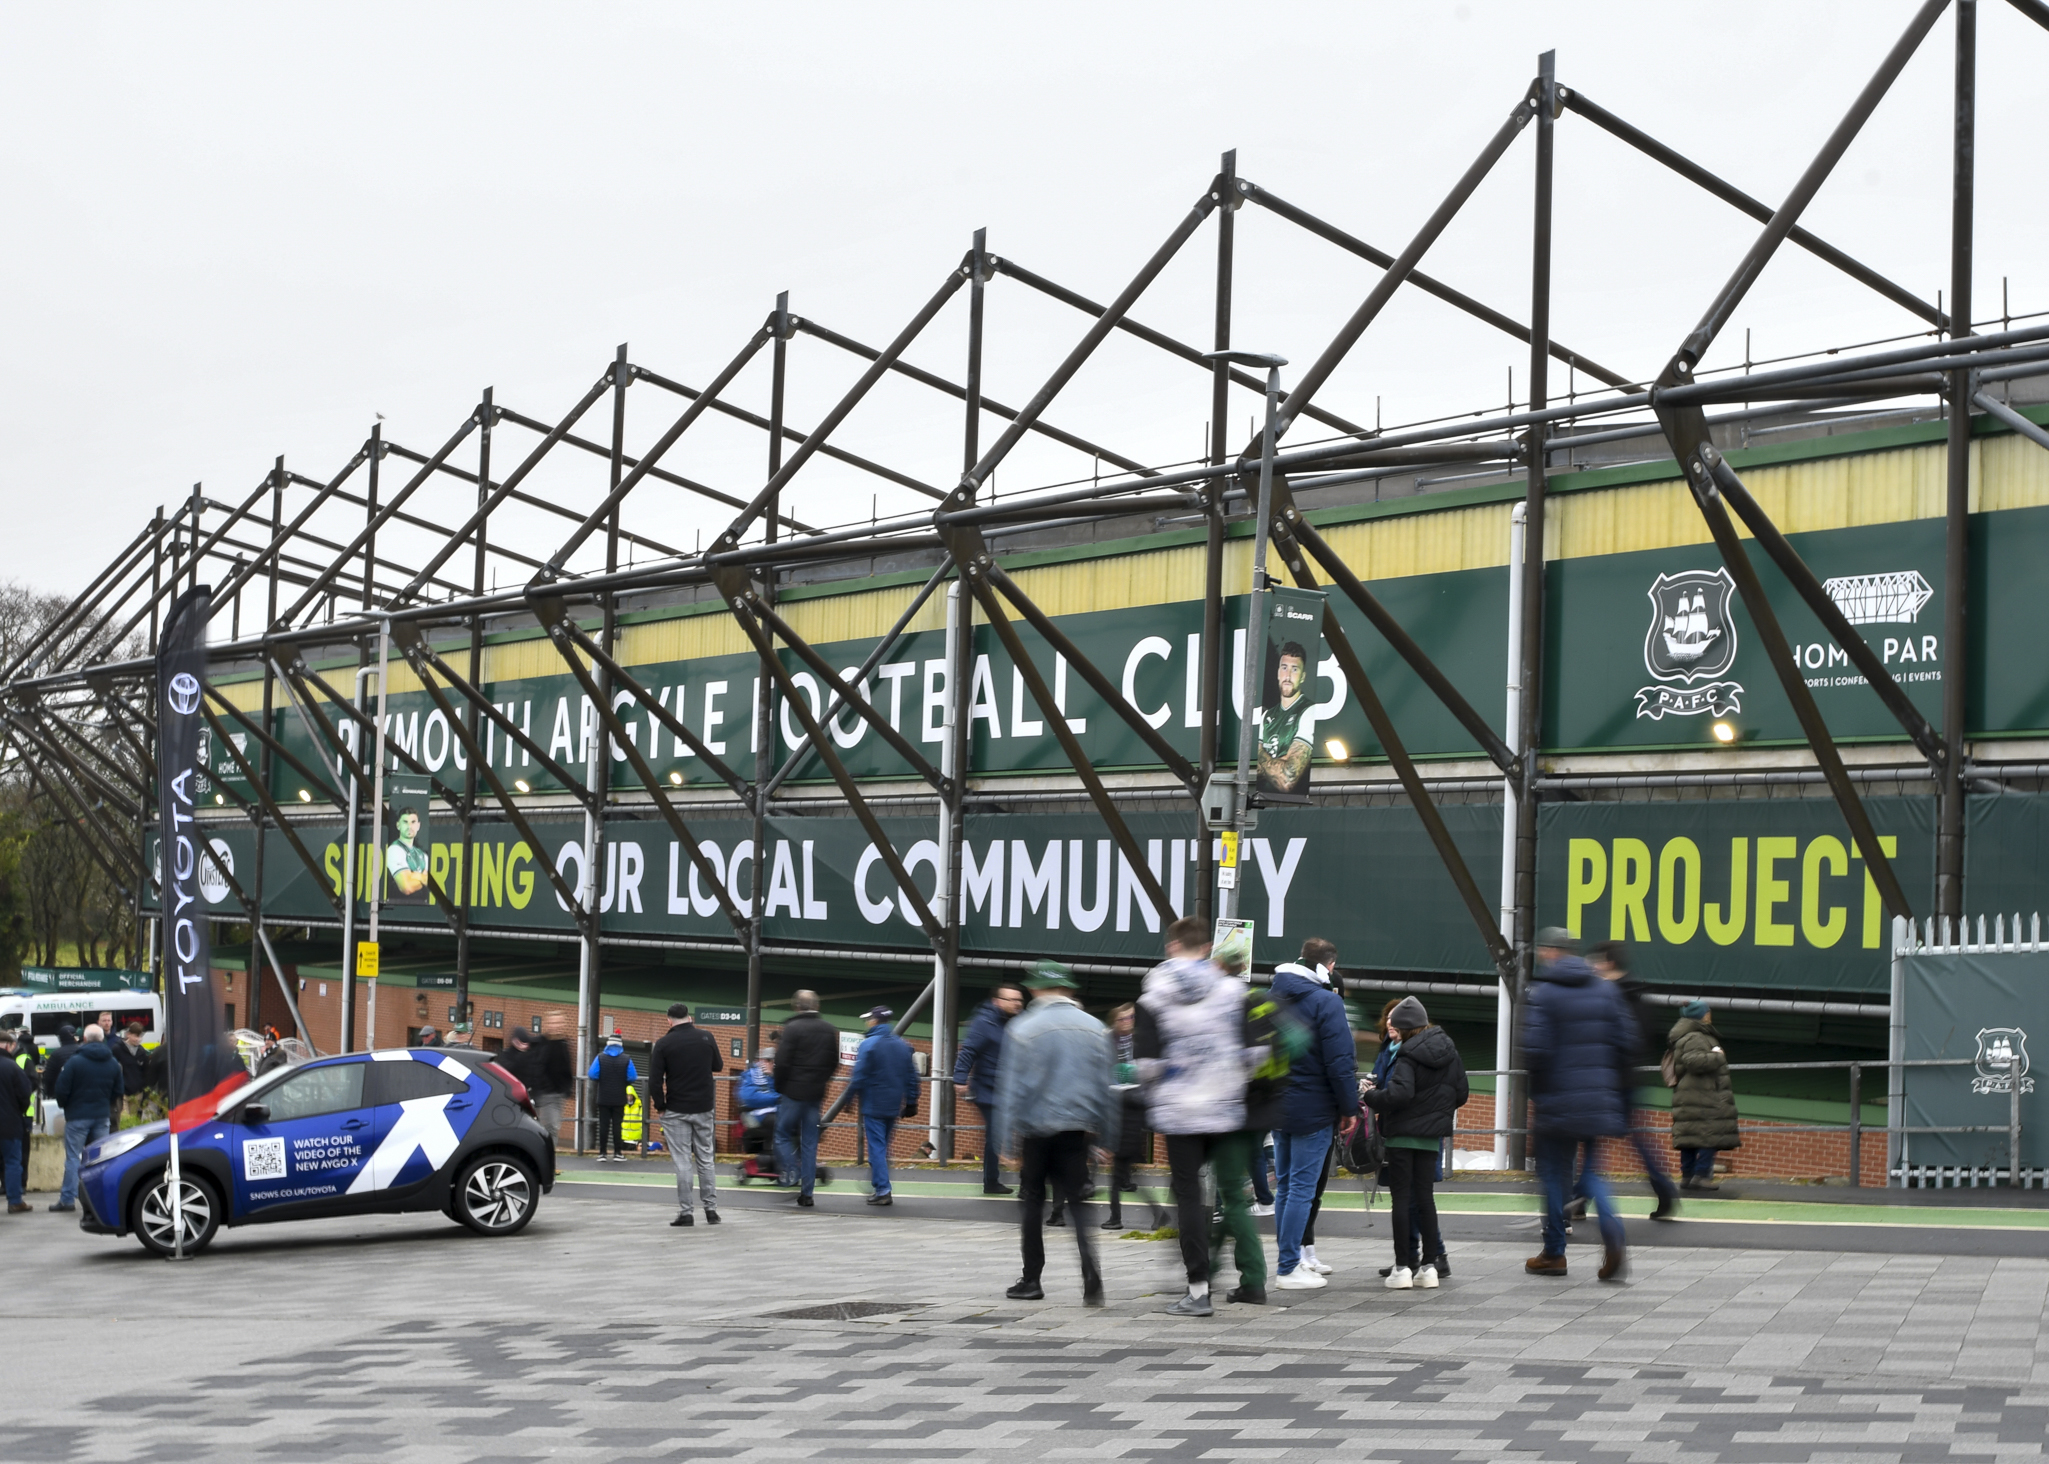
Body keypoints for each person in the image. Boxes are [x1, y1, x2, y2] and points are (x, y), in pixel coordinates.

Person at [1135, 915, 1249, 1318]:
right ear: (1206, 948)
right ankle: (1247, 1275)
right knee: (1233, 1195)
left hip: (1180, 1111)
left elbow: (1146, 1065)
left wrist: (1160, 1089)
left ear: (1171, 947)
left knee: (1187, 1195)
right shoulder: (1234, 991)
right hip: (1225, 1109)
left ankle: (1198, 1288)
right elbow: (1254, 1054)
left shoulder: (1153, 995)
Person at [997, 962, 1118, 1305]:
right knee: (1079, 1203)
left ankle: (1032, 1279)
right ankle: (1091, 1274)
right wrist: (1108, 1137)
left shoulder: (1022, 1028)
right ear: (1069, 990)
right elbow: (1108, 1089)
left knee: (1032, 1202)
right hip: (1077, 1133)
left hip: (1036, 1131)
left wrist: (1007, 1139)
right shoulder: (1096, 1029)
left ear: (1035, 990)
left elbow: (1010, 1089)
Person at [1521, 927, 1633, 1281]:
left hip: (1557, 1102)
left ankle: (1554, 1253)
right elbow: (1627, 1042)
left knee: (1554, 1174)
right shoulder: (1606, 989)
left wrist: (1539, 1096)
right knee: (1591, 1173)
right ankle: (1613, 1234)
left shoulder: (1545, 993)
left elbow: (1535, 1051)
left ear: (1552, 953)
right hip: (1599, 1099)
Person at [1269, 938, 1358, 1291]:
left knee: (1286, 1187)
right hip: (1314, 1107)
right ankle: (1289, 1266)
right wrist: (1349, 1108)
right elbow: (1339, 1062)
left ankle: (1287, 1260)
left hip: (1277, 1107)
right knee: (1303, 1190)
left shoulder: (1270, 998)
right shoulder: (1327, 1002)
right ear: (1329, 967)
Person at [1362, 996, 1467, 1290]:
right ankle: (1430, 1268)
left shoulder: (1407, 1055)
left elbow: (1400, 1095)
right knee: (1425, 1201)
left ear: (1407, 1029)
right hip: (1431, 1139)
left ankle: (1402, 1268)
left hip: (1401, 1135)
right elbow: (1461, 1093)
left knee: (1402, 1201)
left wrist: (1370, 1096)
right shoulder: (1450, 1051)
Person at [1584, 941, 1679, 1220]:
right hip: (1625, 1080)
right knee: (1634, 1139)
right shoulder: (1636, 994)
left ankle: (1578, 1198)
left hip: (1611, 1080)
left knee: (1594, 1140)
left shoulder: (1611, 996)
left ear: (1608, 963)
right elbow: (1648, 1035)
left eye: (1596, 962)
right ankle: (1664, 1192)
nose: (1592, 967)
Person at [649, 1004, 725, 1227]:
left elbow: (654, 1080)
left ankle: (686, 1212)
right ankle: (711, 1210)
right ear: (689, 1017)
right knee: (706, 1158)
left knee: (683, 1161)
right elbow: (718, 1066)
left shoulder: (664, 1044)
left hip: (677, 1109)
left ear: (668, 1020)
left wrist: (661, 1106)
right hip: (703, 1107)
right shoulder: (706, 1037)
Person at [1100, 1004, 1166, 1232]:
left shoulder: (1137, 1044)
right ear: (1114, 1021)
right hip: (1115, 1111)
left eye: (1131, 1017)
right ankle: (1154, 1213)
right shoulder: (1108, 1043)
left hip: (1131, 1112)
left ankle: (1117, 1217)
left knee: (1120, 1172)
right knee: (1122, 1173)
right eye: (1123, 1018)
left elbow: (1138, 1080)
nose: (1128, 1021)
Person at [953, 983, 1024, 1195]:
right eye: (1012, 1000)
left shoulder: (1014, 1022)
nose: (1017, 1004)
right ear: (997, 1001)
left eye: (1019, 1000)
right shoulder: (985, 1023)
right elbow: (968, 1051)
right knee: (996, 1135)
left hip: (1008, 1090)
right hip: (989, 1091)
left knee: (1008, 1135)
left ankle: (999, 1180)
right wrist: (960, 1079)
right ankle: (992, 1181)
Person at [773, 990, 840, 1207]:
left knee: (782, 1135)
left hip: (793, 1093)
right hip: (815, 1094)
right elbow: (833, 1062)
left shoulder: (792, 1028)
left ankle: (791, 1169)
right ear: (817, 1006)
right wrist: (822, 1081)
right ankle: (807, 1194)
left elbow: (782, 1062)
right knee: (810, 1144)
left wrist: (780, 1086)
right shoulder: (829, 1029)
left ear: (797, 1007)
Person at [847, 1005, 919, 1207]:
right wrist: (912, 1101)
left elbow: (858, 1075)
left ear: (874, 1021)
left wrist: (849, 1098)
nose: (867, 1022)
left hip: (873, 1103)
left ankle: (882, 1189)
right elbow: (911, 1077)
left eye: (869, 1019)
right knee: (883, 1145)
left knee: (876, 1147)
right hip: (894, 1104)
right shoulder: (903, 1045)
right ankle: (880, 1180)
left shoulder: (869, 1044)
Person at [1666, 1000, 1740, 1191]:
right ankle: (1700, 1175)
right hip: (1703, 1095)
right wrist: (1718, 1056)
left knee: (1691, 1136)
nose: (1710, 1014)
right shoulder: (1696, 1037)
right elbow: (1693, 1061)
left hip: (1691, 1095)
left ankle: (1688, 1176)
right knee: (1709, 1134)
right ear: (1702, 1015)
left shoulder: (1685, 1035)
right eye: (1708, 1011)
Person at [52, 1024, 124, 1214]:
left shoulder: (75, 1062)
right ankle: (100, 1198)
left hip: (77, 1116)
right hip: (102, 1115)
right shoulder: (112, 1062)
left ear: (84, 1039)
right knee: (100, 1158)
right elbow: (118, 1091)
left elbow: (61, 1090)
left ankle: (68, 1199)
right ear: (102, 1039)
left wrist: (67, 1105)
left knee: (74, 1157)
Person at [1256, 640, 1318, 795]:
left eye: (1294, 669)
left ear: (1303, 677)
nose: (1288, 676)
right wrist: (1281, 761)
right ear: (1278, 673)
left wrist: (1261, 756)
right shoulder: (1267, 716)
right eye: (1284, 668)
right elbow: (1253, 769)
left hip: (1294, 805)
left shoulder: (1308, 711)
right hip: (1263, 802)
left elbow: (1288, 778)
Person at [529, 1012, 574, 1174]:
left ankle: (548, 1162)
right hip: (546, 1093)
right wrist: (544, 1087)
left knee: (552, 1129)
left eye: (559, 1022)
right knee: (550, 1128)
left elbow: (567, 1066)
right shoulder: (542, 1043)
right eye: (554, 1022)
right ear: (548, 1024)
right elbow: (538, 1067)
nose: (557, 1026)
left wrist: (567, 1087)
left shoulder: (563, 1043)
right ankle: (546, 1164)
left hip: (558, 1093)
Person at [586, 1033, 638, 1161]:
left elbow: (592, 1074)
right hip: (619, 1097)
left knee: (603, 1125)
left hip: (603, 1097)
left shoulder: (600, 1058)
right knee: (617, 1125)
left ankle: (602, 1153)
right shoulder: (626, 1059)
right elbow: (632, 1077)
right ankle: (617, 1153)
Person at [0, 1031, 31, 1213]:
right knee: (12, 1162)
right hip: (9, 1123)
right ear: (7, 1045)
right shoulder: (12, 1067)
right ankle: (15, 1201)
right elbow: (24, 1095)